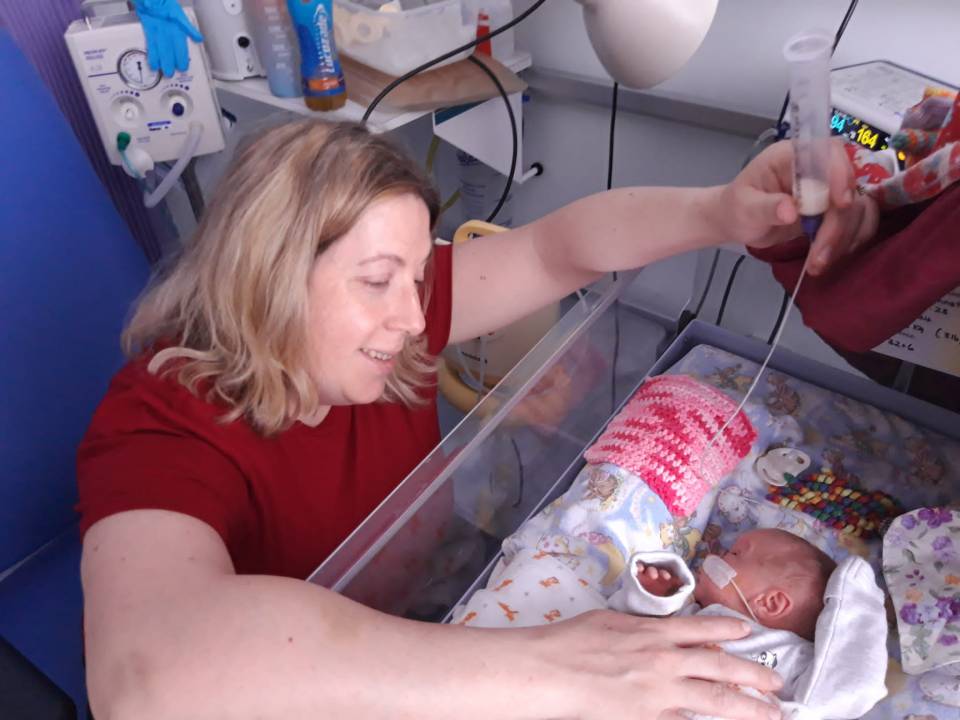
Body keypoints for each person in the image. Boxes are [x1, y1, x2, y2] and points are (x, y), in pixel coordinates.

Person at [77, 119, 876, 720]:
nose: (417, 319)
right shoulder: (157, 425)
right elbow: (147, 673)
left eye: (421, 275)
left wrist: (720, 212)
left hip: (430, 594)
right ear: (269, 277)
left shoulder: (395, 322)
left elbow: (558, 250)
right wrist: (556, 671)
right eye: (379, 280)